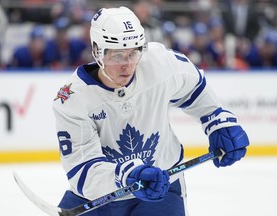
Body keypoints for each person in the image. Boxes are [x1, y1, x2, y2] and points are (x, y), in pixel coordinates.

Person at [53, 7, 249, 216]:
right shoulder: (72, 99)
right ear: (96, 50)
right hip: (100, 198)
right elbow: (82, 170)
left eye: (134, 53)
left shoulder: (159, 62)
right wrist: (124, 176)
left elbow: (194, 87)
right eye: (117, 56)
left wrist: (216, 120)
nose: (127, 65)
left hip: (162, 188)